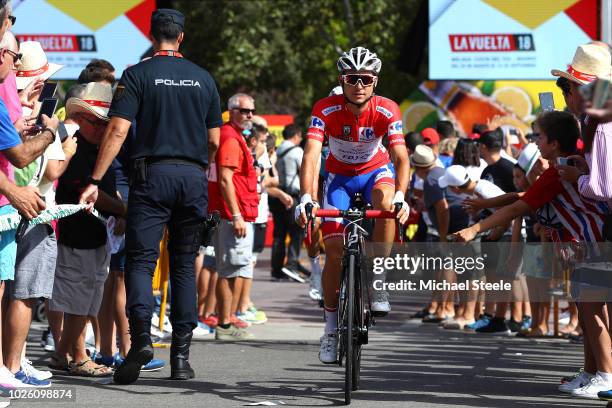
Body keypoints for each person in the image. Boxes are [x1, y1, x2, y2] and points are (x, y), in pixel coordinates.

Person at [79, 9, 222, 384]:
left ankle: (141, 339)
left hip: (151, 176)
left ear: (151, 33)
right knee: (183, 264)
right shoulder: (204, 79)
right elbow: (214, 141)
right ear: (182, 37)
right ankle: (181, 357)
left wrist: (96, 178)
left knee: (141, 262)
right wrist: (194, 169)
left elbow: (117, 131)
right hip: (191, 178)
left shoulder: (137, 75)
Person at [454, 110, 612, 399]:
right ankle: (592, 372)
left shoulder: (558, 171)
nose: (536, 142)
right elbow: (520, 198)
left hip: (591, 245)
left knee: (594, 315)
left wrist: (475, 228)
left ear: (553, 143)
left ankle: (605, 374)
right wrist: (484, 204)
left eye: (539, 136)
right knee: (588, 315)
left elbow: (520, 206)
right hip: (584, 247)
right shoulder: (562, 167)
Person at [297, 47, 410, 363]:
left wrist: (401, 194)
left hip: (376, 172)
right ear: (341, 80)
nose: (358, 85)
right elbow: (310, 154)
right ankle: (331, 330)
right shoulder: (325, 108)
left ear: (375, 81)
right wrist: (306, 197)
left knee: (386, 203)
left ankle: (377, 277)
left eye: (365, 78)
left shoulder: (387, 110)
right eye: (351, 78)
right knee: (333, 254)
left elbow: (401, 157)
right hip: (339, 179)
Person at [49, 82, 125, 378]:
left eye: (105, 122)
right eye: (97, 121)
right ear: (80, 118)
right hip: (75, 232)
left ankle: (61, 354)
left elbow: (107, 191)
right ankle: (77, 355)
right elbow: (90, 191)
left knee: (88, 297)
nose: (102, 127)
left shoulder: (95, 147)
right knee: (79, 299)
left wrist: (118, 207)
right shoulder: (75, 147)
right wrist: (123, 210)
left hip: (95, 234)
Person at [208, 93, 258, 340]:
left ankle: (227, 322)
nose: (249, 115)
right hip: (231, 215)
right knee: (228, 270)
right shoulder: (230, 137)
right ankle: (224, 324)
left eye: (251, 111)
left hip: (235, 213)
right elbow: (226, 179)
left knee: (234, 268)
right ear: (232, 111)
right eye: (244, 110)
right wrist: (236, 215)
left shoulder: (233, 136)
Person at [270, 123, 305, 281]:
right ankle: (291, 265)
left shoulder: (276, 150)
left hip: (277, 195)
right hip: (292, 196)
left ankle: (276, 269)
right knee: (297, 231)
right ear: (296, 136)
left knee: (279, 234)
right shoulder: (297, 151)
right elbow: (303, 171)